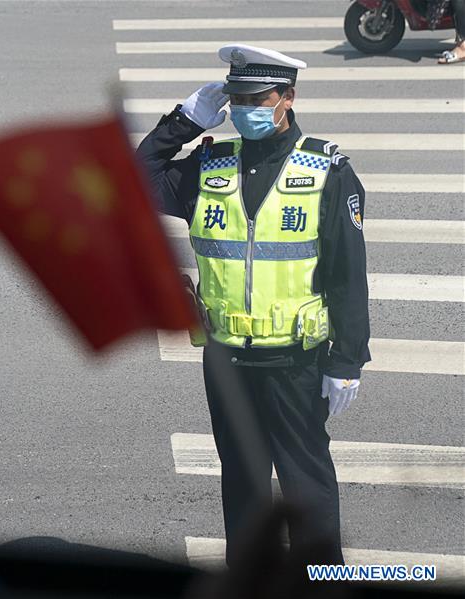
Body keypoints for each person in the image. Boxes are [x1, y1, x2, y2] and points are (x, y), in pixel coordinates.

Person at [136, 45, 371, 569]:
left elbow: (347, 275)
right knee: (241, 485)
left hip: (294, 359)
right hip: (225, 357)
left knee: (306, 485)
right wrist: (183, 122)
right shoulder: (210, 164)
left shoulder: (327, 171)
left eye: (256, 97)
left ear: (287, 97)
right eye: (235, 97)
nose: (244, 108)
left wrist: (347, 361)